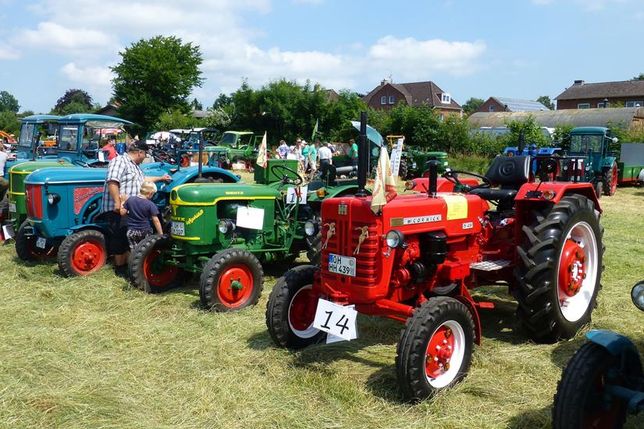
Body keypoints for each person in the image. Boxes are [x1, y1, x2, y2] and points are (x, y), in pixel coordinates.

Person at [101, 140, 171, 273]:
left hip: (130, 210)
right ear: (140, 152)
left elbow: (143, 180)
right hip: (118, 209)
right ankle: (119, 268)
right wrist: (117, 202)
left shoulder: (135, 166)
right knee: (119, 237)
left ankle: (129, 266)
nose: (145, 157)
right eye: (145, 154)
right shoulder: (120, 161)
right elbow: (112, 181)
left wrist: (161, 178)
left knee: (128, 237)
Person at [123, 181, 163, 249]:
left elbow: (123, 213)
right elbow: (156, 220)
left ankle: (132, 259)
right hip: (145, 231)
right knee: (144, 251)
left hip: (131, 230)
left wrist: (123, 202)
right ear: (150, 193)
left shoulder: (130, 200)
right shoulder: (150, 204)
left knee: (134, 250)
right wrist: (161, 234)